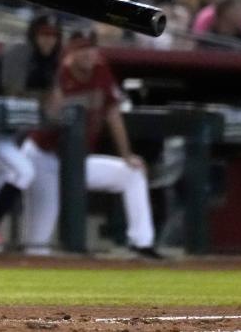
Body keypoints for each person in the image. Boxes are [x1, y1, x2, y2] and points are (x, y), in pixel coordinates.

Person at [19, 29, 161, 258]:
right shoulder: (58, 73)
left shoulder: (101, 70)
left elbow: (113, 114)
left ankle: (142, 243)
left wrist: (127, 155)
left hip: (77, 161)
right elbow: (48, 115)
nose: (88, 54)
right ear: (69, 52)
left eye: (91, 48)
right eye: (81, 49)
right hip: (44, 158)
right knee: (37, 245)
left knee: (132, 173)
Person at [0, 13, 62, 247]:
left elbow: (56, 103)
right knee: (22, 171)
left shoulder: (51, 61)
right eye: (44, 35)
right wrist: (46, 97)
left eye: (53, 36)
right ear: (34, 35)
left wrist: (52, 97)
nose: (48, 41)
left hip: (0, 133)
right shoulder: (18, 51)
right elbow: (12, 91)